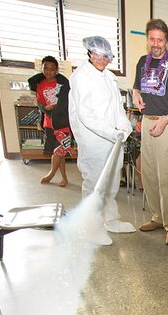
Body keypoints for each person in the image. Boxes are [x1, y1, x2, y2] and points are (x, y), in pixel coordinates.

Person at [69, 36, 133, 245]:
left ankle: (111, 220)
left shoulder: (109, 77)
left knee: (112, 181)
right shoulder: (81, 77)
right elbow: (86, 116)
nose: (103, 60)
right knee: (95, 185)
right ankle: (90, 228)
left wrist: (124, 125)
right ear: (89, 53)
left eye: (107, 57)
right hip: (93, 140)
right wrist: (111, 132)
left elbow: (117, 107)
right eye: (98, 55)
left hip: (114, 139)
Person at [133, 19, 168, 246]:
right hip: (147, 122)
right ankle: (157, 217)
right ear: (148, 40)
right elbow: (137, 87)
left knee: (166, 177)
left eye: (160, 39)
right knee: (148, 174)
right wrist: (136, 95)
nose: (156, 43)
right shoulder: (141, 62)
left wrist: (166, 119)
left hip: (167, 124)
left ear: (166, 41)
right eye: (152, 39)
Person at [28, 56, 71, 187]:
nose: (49, 71)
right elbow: (40, 103)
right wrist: (46, 109)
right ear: (42, 68)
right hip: (49, 123)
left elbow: (67, 102)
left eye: (52, 69)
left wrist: (57, 108)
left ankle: (51, 174)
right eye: (46, 68)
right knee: (59, 152)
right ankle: (64, 178)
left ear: (57, 70)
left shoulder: (62, 85)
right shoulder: (40, 86)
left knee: (60, 150)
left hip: (63, 123)